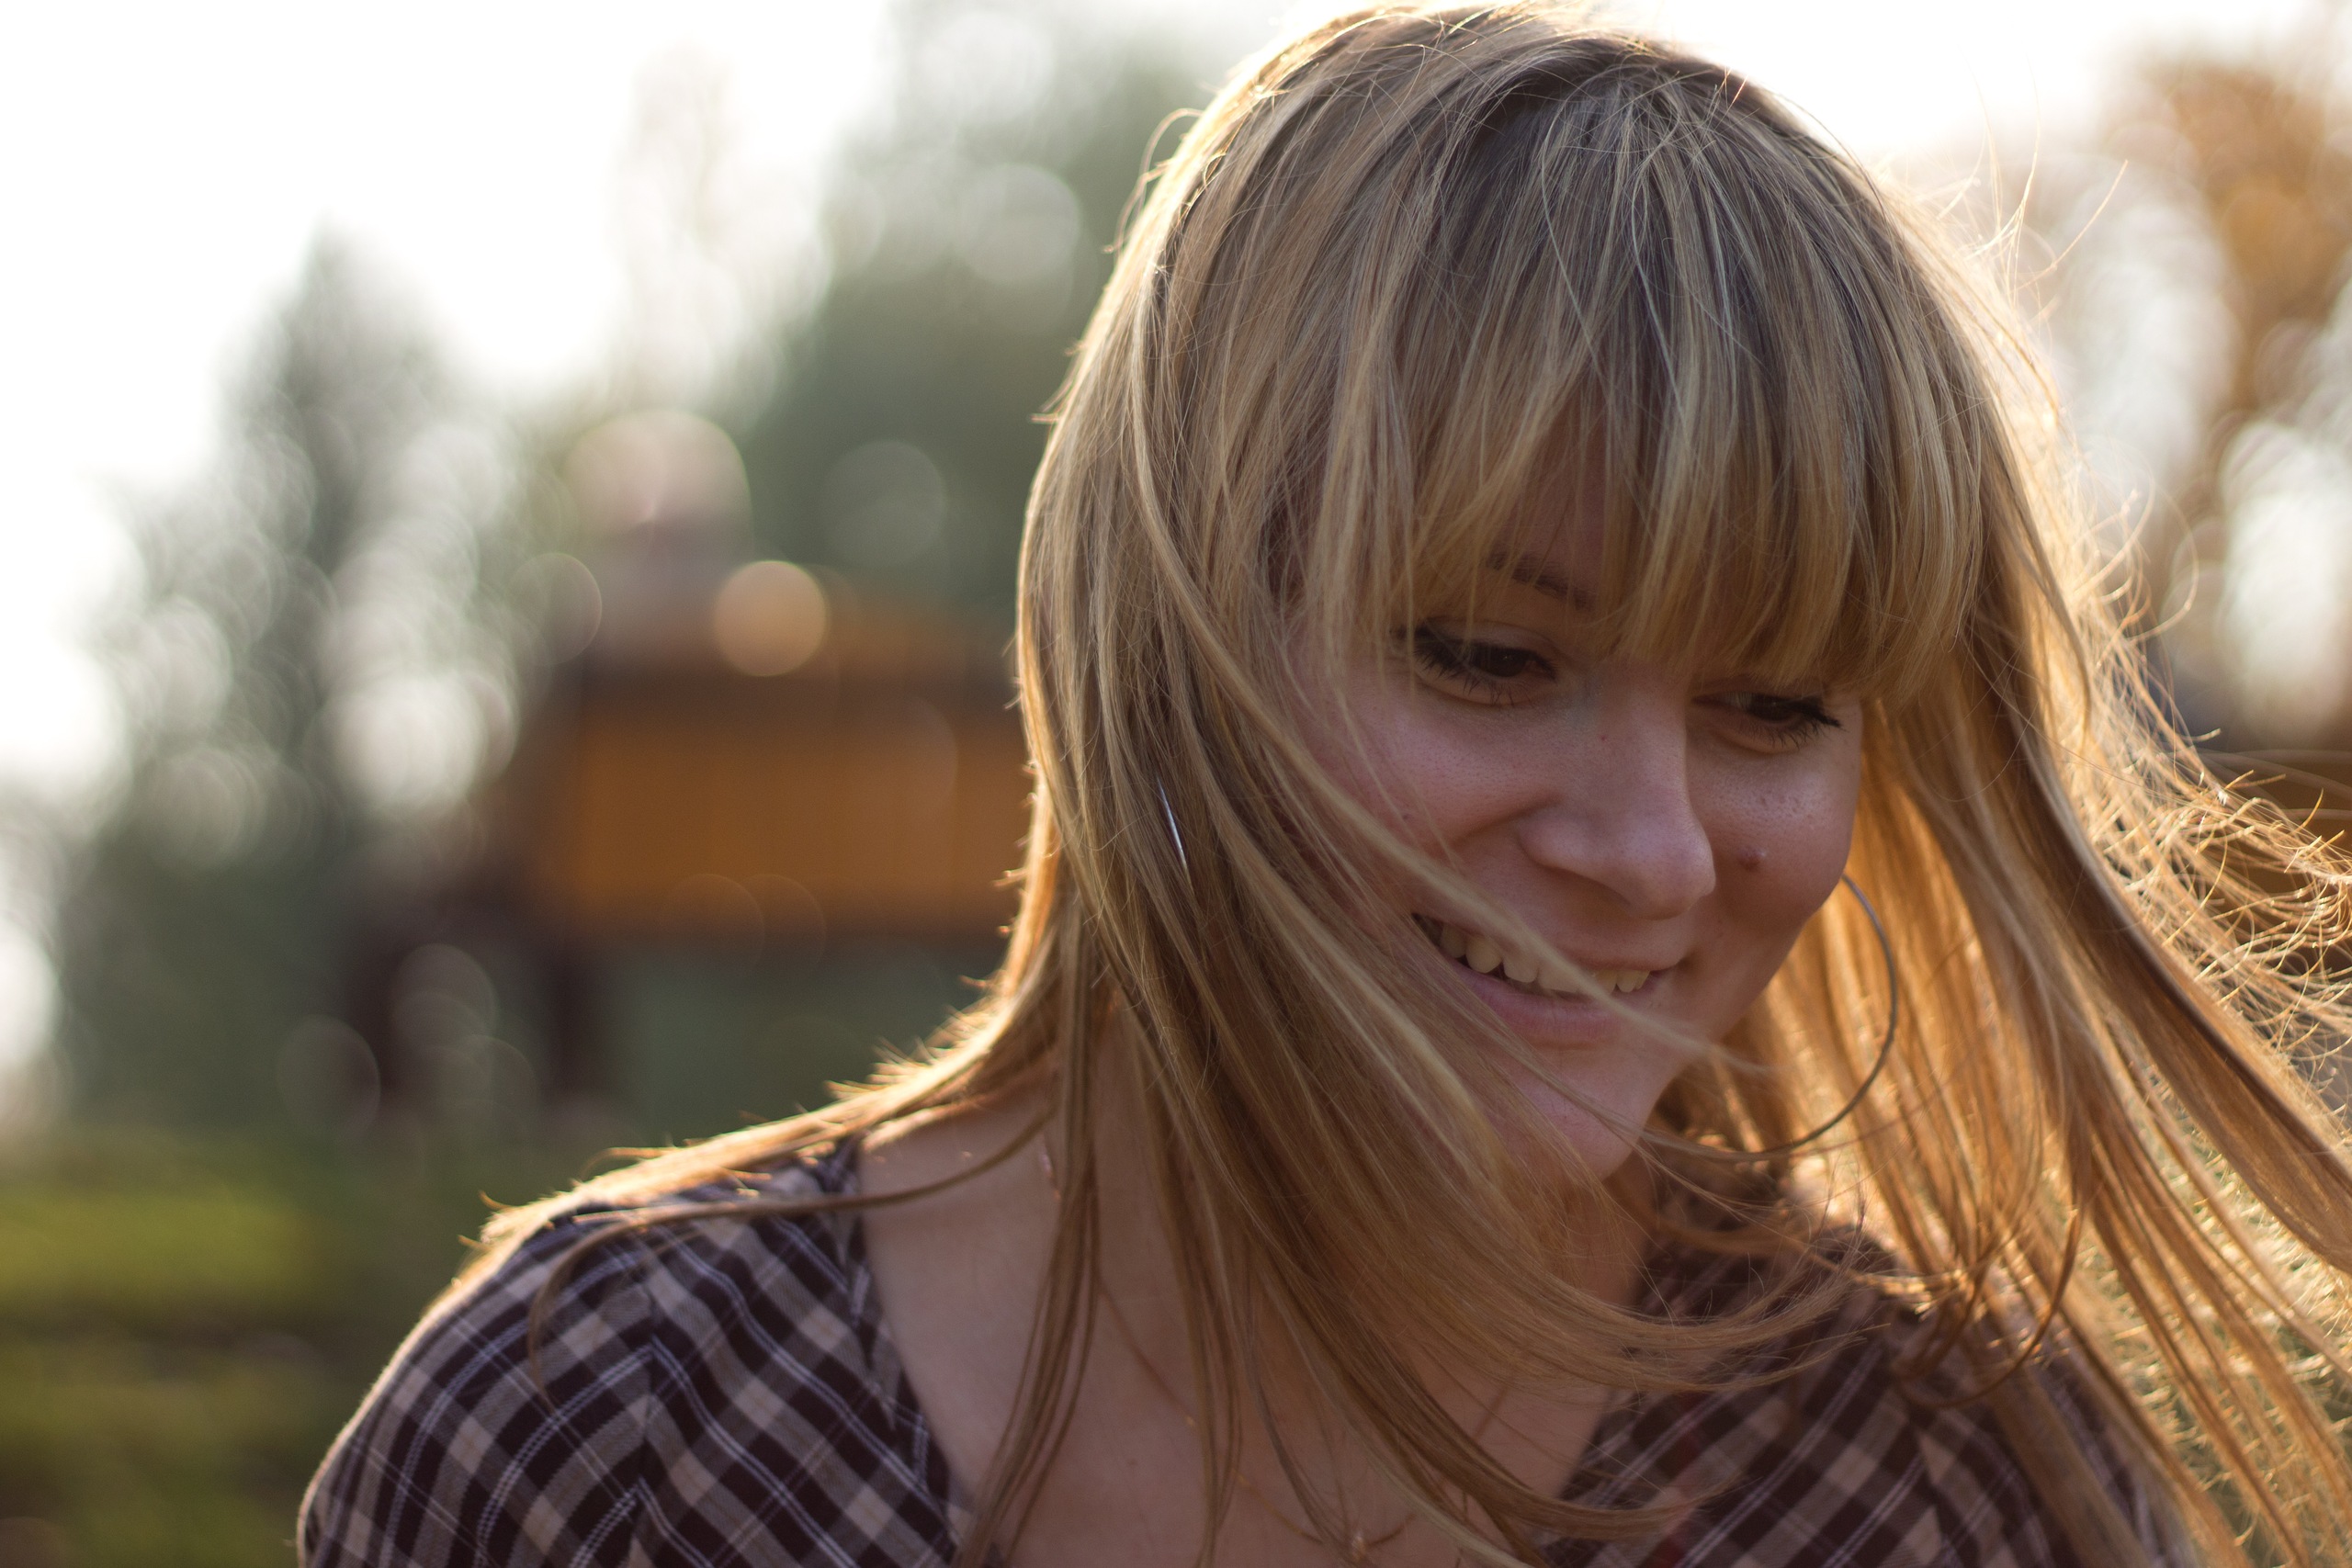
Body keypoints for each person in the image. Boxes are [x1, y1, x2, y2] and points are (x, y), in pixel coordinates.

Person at [299, 5, 2352, 1564]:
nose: (1649, 851)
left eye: (1775, 704)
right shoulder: (604, 1432)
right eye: (1488, 654)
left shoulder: (1949, 1489)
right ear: (1166, 626)